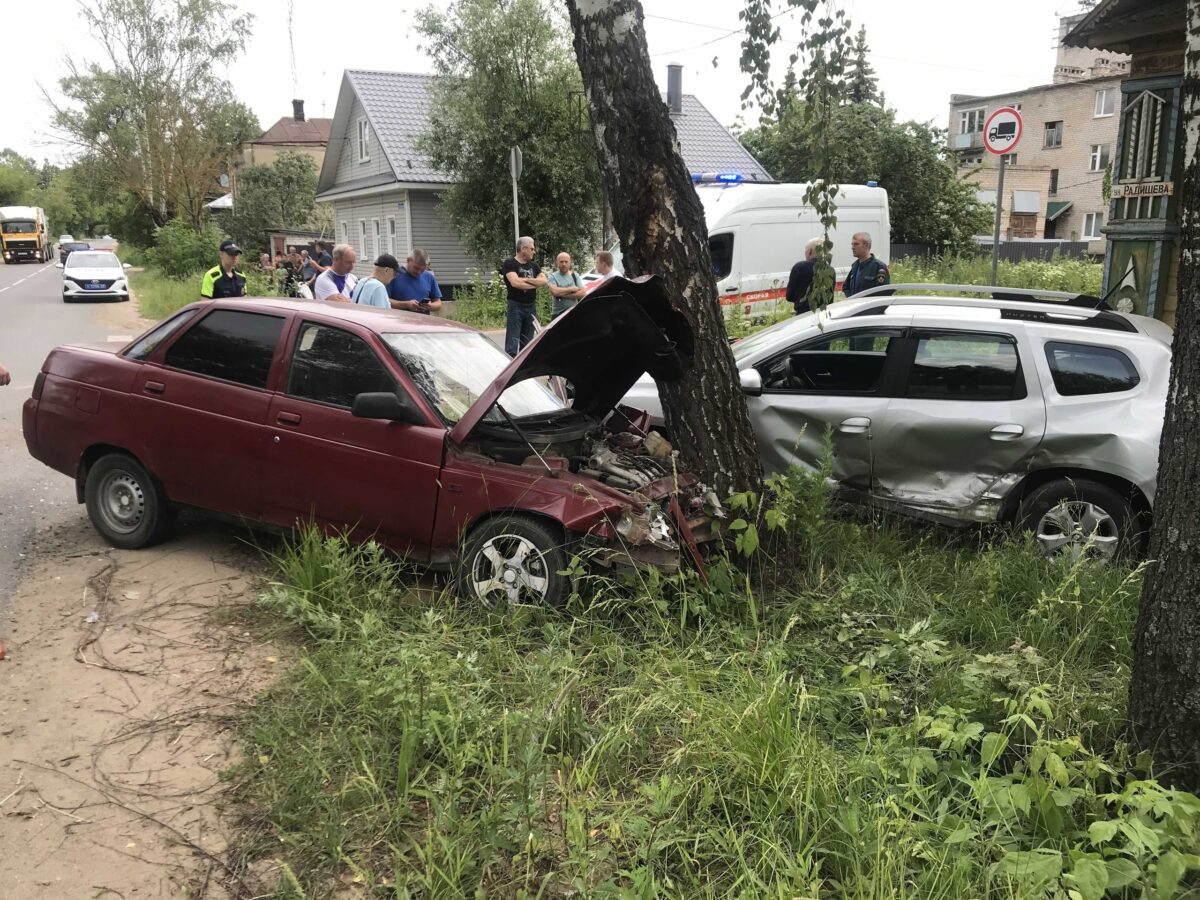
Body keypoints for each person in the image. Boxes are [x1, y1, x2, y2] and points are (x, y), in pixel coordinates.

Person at [500, 236, 548, 356]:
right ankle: (510, 371)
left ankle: (523, 372)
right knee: (512, 343)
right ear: (523, 248)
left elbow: (544, 281)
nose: (534, 251)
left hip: (531, 307)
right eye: (531, 249)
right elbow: (515, 283)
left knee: (527, 345)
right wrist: (533, 282)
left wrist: (525, 281)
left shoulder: (534, 265)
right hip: (515, 307)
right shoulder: (510, 263)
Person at [387, 248, 443, 314]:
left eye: (422, 270)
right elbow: (385, 300)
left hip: (423, 322)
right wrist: (406, 304)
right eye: (416, 268)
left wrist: (429, 306)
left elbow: (438, 303)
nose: (419, 272)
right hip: (399, 322)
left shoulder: (429, 277)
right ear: (408, 260)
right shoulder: (393, 274)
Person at [842, 232, 890, 297]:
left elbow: (883, 294)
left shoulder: (879, 267)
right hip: (856, 306)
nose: (852, 247)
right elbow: (845, 287)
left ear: (866, 245)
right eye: (852, 244)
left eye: (856, 244)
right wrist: (852, 299)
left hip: (869, 306)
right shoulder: (855, 266)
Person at [786, 237, 823, 315]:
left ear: (809, 252)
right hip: (823, 315)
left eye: (805, 250)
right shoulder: (830, 270)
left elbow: (789, 296)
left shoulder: (799, 267)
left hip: (803, 315)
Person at [547, 252, 586, 318]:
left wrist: (561, 295)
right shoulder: (552, 276)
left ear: (570, 262)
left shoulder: (575, 276)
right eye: (561, 262)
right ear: (557, 262)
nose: (564, 264)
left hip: (573, 313)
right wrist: (571, 289)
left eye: (566, 262)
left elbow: (582, 293)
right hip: (558, 314)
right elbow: (554, 291)